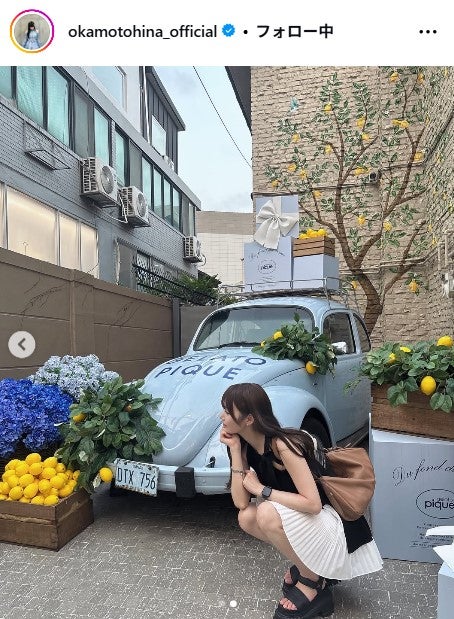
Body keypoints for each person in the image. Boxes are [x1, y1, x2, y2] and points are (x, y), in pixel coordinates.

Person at [219, 383, 382, 619]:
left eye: (227, 411)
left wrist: (263, 490)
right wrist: (235, 452)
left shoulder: (282, 445)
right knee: (247, 517)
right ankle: (312, 568)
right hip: (308, 519)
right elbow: (241, 503)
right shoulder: (243, 446)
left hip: (332, 523)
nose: (221, 416)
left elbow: (313, 504)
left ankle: (312, 582)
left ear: (249, 419)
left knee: (266, 512)